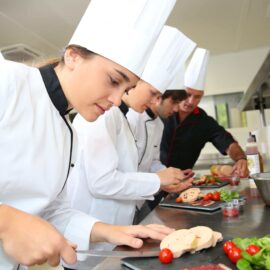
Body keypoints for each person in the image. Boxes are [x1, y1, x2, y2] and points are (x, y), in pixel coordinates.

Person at [0, 0, 177, 269]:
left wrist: (111, 231)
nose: (117, 100)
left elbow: (51, 211)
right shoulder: (8, 80)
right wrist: (7, 222)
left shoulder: (67, 131)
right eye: (114, 80)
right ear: (72, 56)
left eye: (126, 89)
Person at [67, 26, 195, 234]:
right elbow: (102, 181)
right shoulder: (104, 115)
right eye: (153, 94)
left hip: (120, 223)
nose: (156, 102)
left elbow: (135, 166)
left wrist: (164, 176)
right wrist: (158, 180)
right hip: (92, 224)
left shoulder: (119, 115)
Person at [160, 48, 249, 178]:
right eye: (188, 94)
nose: (190, 101)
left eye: (197, 97)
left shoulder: (204, 121)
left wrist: (241, 158)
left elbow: (227, 143)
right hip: (152, 179)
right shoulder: (162, 111)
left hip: (181, 183)